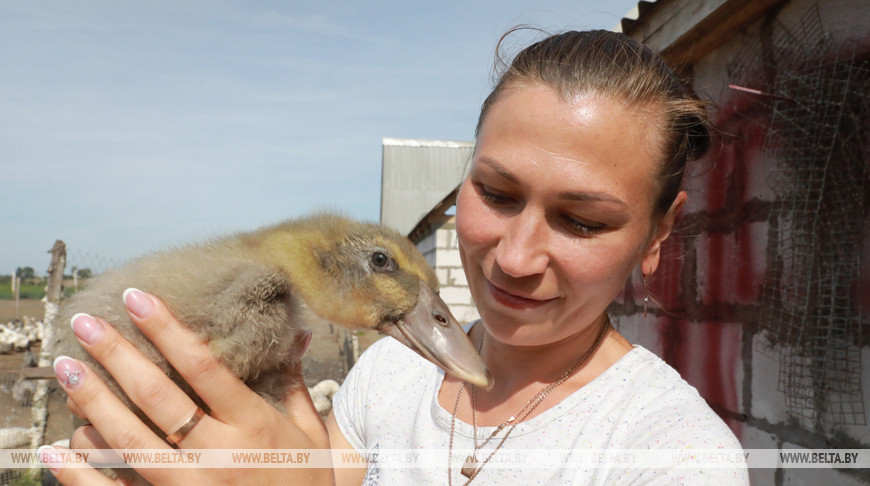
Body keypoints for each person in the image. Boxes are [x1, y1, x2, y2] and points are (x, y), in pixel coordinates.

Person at [40, 29, 749, 485]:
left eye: (581, 221)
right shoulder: (390, 378)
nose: (516, 258)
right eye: (497, 193)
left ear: (659, 236)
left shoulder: (675, 457)